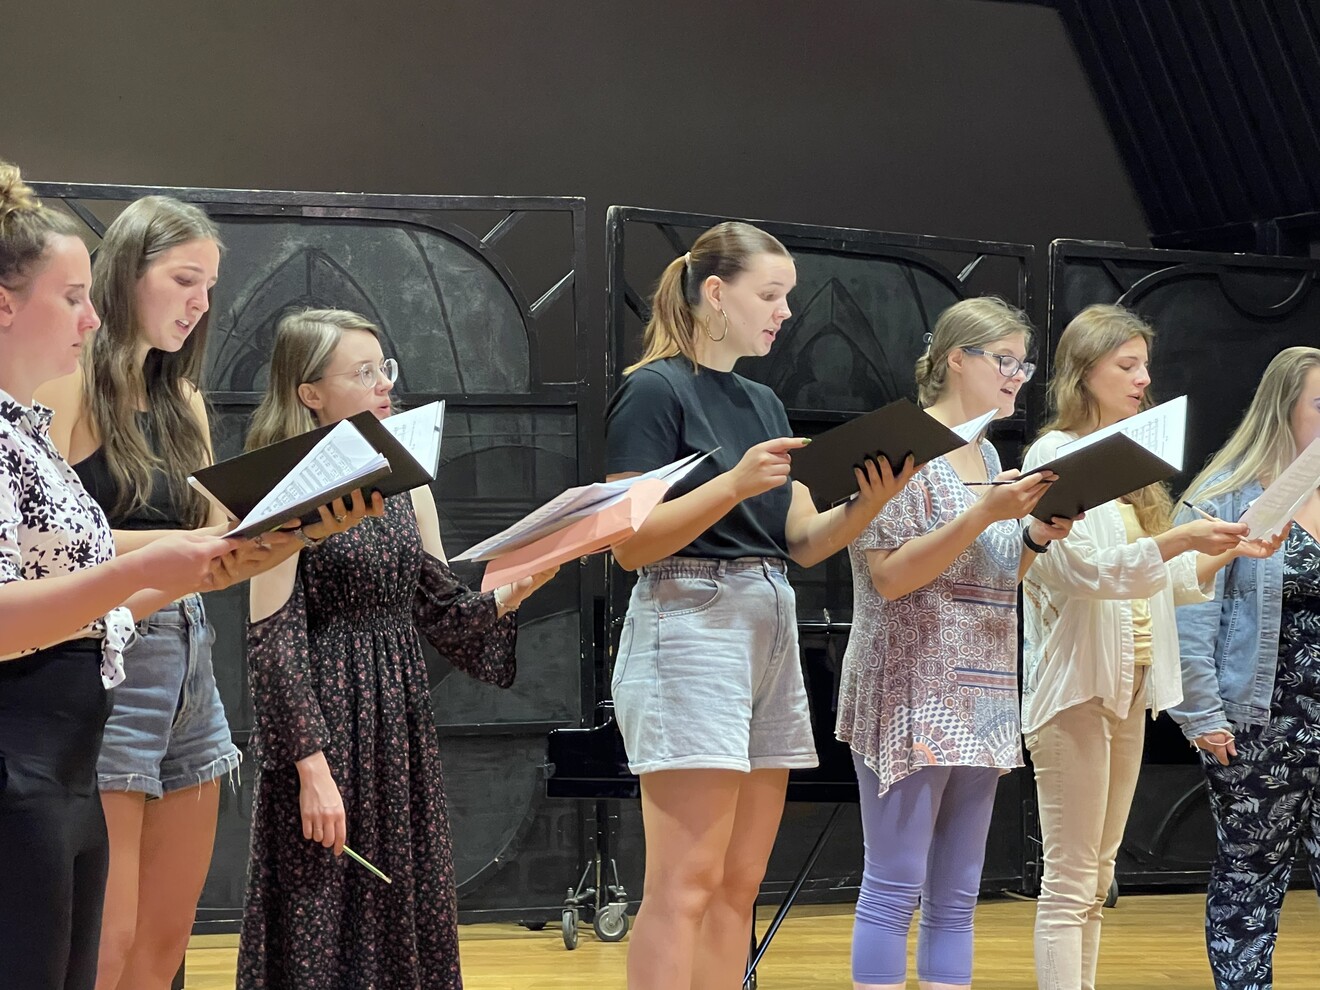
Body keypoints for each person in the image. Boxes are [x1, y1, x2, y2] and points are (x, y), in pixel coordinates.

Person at [605, 221, 916, 990]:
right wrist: (733, 484)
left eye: (787, 297)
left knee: (739, 884)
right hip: (689, 620)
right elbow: (630, 545)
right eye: (771, 295)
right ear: (716, 293)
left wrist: (870, 503)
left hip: (768, 621)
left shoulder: (765, 402)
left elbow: (803, 541)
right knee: (684, 881)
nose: (784, 313)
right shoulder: (653, 390)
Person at [0, 161, 273, 990]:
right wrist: (165, 555)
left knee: (160, 938)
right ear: (127, 276)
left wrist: (274, 534)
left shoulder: (179, 400)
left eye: (210, 287)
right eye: (184, 280)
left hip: (169, 646)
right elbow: (63, 554)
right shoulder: (59, 391)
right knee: (97, 941)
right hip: (87, 664)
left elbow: (203, 538)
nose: (199, 303)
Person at [238, 308, 556, 989]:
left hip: (396, 722)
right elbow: (273, 644)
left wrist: (509, 593)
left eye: (384, 368)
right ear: (310, 393)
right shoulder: (285, 491)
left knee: (398, 909)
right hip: (326, 722)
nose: (384, 383)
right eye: (363, 372)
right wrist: (310, 770)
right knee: (324, 908)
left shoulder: (405, 483)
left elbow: (442, 611)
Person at [1021, 303, 1267, 990]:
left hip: (1129, 687)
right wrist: (1182, 537)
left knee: (1099, 877)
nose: (1143, 379)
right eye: (1127, 365)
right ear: (1084, 371)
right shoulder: (1053, 455)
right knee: (1071, 880)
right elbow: (1082, 574)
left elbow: (1160, 585)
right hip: (1076, 689)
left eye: (1145, 366)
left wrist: (1230, 548)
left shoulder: (1129, 464)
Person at [838, 296, 1074, 990]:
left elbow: (996, 574)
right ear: (955, 360)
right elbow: (889, 577)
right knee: (894, 883)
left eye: (1023, 365)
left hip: (986, 687)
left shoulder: (990, 453)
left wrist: (1033, 536)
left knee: (958, 892)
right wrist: (983, 514)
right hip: (913, 683)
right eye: (1004, 360)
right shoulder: (900, 445)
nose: (1017, 377)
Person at [1172, 346, 1320, 990]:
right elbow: (1187, 610)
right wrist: (1201, 713)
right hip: (1260, 723)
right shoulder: (1225, 499)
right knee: (1250, 876)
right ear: (1283, 410)